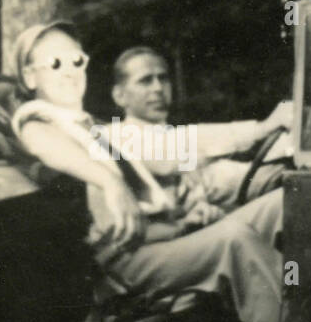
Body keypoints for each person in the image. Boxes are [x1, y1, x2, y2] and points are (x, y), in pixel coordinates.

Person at [12, 23, 285, 322]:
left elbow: (178, 149)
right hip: (124, 268)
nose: (70, 72)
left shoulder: (94, 129)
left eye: (77, 61)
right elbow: (42, 142)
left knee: (285, 202)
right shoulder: (38, 119)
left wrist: (184, 219)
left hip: (156, 240)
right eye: (55, 63)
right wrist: (110, 183)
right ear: (30, 76)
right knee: (235, 239)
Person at [110, 46, 293, 218]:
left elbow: (233, 173)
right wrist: (265, 127)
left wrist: (288, 144)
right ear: (120, 96)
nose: (158, 88)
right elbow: (174, 153)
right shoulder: (115, 135)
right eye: (145, 80)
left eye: (163, 78)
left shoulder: (172, 139)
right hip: (161, 243)